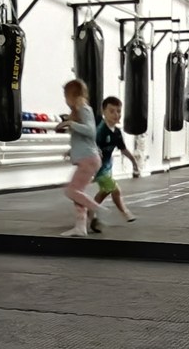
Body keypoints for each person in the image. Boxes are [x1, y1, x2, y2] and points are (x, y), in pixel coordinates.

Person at [56, 78, 101, 238]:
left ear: (72, 95)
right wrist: (71, 151)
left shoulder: (84, 109)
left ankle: (97, 209)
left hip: (89, 159)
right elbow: (82, 140)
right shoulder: (78, 112)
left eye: (66, 95)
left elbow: (91, 132)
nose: (65, 100)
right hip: (86, 158)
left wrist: (70, 124)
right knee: (77, 194)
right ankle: (80, 227)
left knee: (72, 191)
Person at [91, 95, 140, 231]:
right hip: (98, 167)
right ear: (104, 112)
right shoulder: (100, 131)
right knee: (115, 189)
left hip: (107, 167)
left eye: (118, 111)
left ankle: (90, 210)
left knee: (105, 192)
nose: (116, 114)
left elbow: (123, 149)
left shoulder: (117, 132)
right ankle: (125, 212)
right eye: (111, 111)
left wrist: (134, 162)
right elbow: (91, 145)